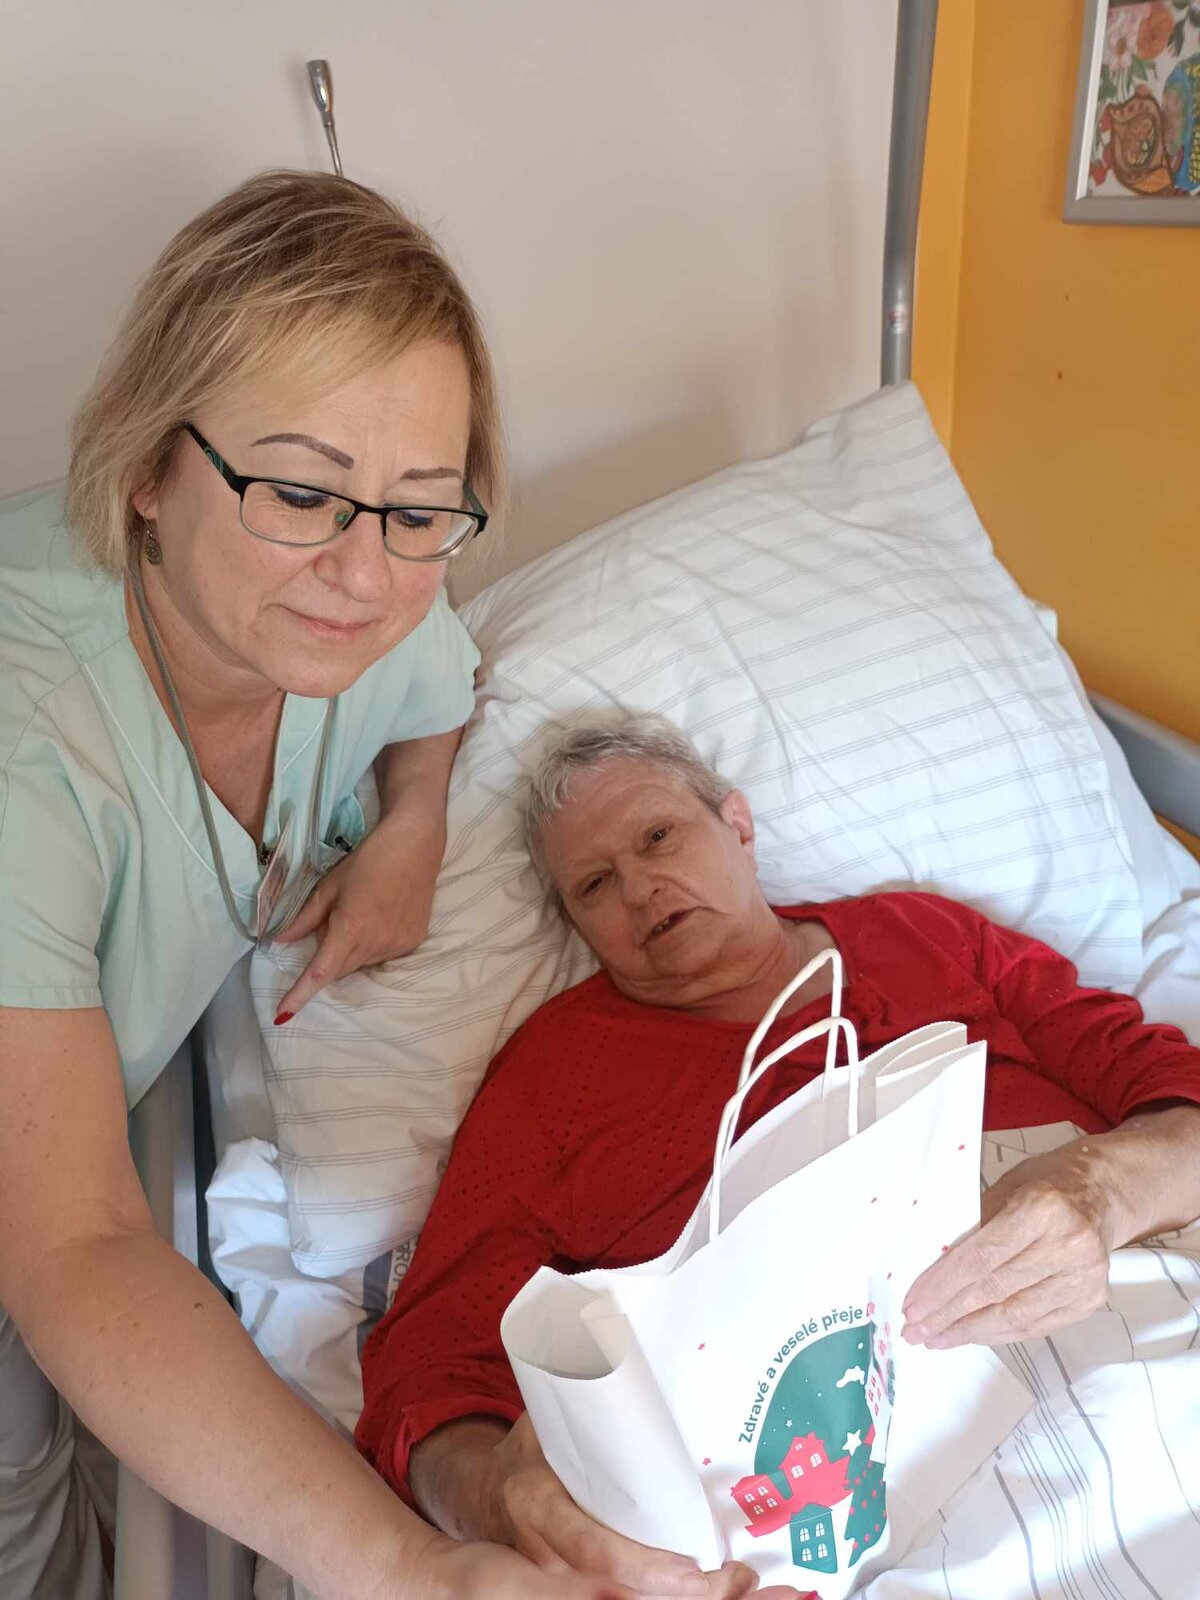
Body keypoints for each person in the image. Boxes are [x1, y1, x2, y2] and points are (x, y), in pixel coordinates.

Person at [0, 172, 622, 1600]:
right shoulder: (32, 742)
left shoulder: (366, 602)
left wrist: (411, 828)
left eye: (419, 510)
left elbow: (437, 682)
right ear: (146, 464)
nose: (366, 572)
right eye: (298, 492)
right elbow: (76, 1241)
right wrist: (414, 1568)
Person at [356, 712, 1200, 1595]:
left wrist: (1101, 1192)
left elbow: (1169, 1088)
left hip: (1117, 1291)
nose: (640, 888)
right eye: (595, 884)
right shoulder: (556, 1076)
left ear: (739, 823)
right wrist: (496, 1497)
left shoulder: (922, 933)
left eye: (658, 836)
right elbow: (429, 1359)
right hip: (840, 1457)